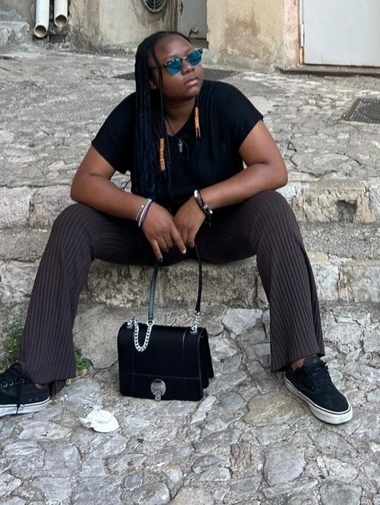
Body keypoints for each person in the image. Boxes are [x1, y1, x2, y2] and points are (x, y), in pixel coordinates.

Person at [0, 31, 352, 424]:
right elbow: (84, 182)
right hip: (152, 237)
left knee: (274, 209)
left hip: (219, 230)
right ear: (152, 79)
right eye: (173, 64)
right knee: (73, 222)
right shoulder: (134, 113)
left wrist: (204, 201)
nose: (189, 68)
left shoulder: (224, 102)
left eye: (193, 57)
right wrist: (142, 210)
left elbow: (273, 169)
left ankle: (303, 363)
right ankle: (36, 374)